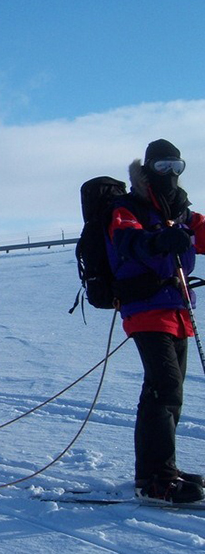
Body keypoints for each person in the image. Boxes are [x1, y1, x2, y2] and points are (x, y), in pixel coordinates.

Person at [106, 139, 205, 504]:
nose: (171, 175)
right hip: (145, 308)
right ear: (149, 168)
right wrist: (161, 239)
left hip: (177, 310)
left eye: (177, 168)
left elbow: (203, 231)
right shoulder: (127, 207)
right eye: (163, 168)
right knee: (164, 388)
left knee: (170, 392)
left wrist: (180, 231)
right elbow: (127, 241)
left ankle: (158, 470)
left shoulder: (179, 208)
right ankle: (155, 482)